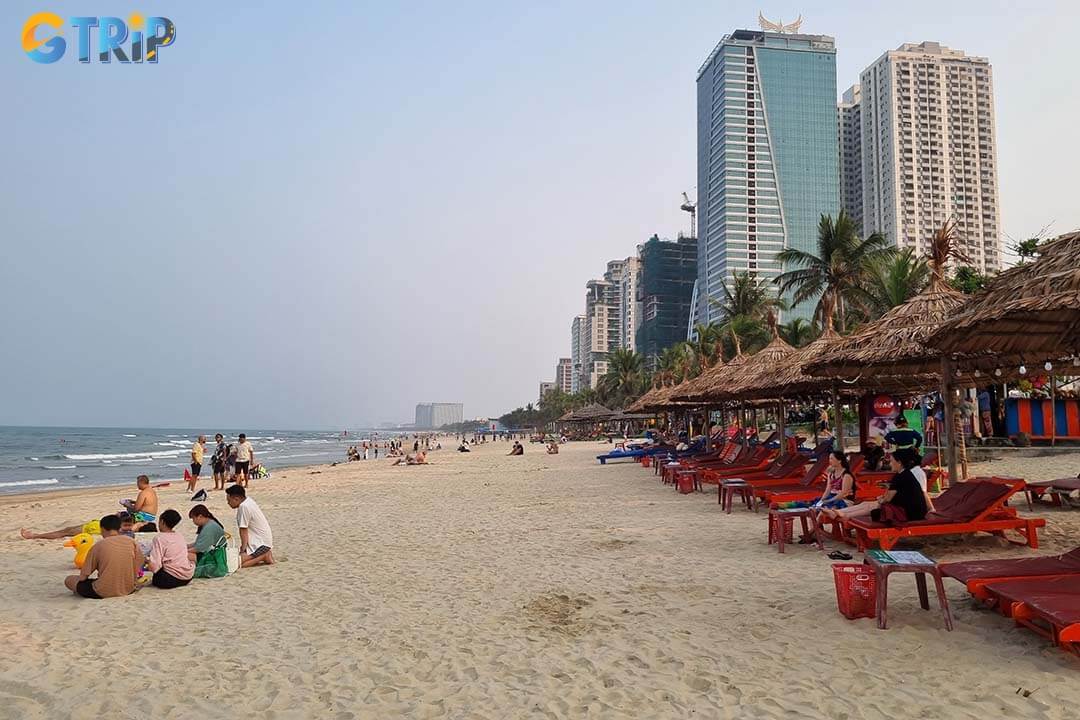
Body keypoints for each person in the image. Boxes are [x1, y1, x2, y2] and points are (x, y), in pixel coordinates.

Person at [823, 448, 928, 524]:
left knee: (873, 505)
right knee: (866, 503)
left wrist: (880, 500)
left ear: (899, 463)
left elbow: (887, 499)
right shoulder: (904, 474)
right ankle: (838, 512)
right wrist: (881, 499)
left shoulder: (901, 476)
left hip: (910, 513)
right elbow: (892, 495)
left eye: (891, 461)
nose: (890, 464)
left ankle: (843, 514)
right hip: (912, 510)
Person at [64, 514, 142, 599]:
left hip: (103, 591)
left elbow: (83, 576)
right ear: (120, 528)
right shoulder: (131, 542)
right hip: (129, 588)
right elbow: (140, 562)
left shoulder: (98, 546)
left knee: (69, 580)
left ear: (102, 529)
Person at [225, 485, 274, 567]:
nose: (228, 503)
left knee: (235, 564)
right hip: (264, 541)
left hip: (260, 544)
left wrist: (243, 549)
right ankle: (263, 556)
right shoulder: (248, 501)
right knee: (239, 563)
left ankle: (264, 556)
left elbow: (243, 529)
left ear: (236, 499)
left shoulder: (244, 507)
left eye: (229, 500)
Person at [147, 510, 195, 589]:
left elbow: (154, 566)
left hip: (171, 579)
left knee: (156, 576)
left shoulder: (159, 538)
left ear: (162, 521)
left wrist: (146, 561)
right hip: (187, 577)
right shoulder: (179, 535)